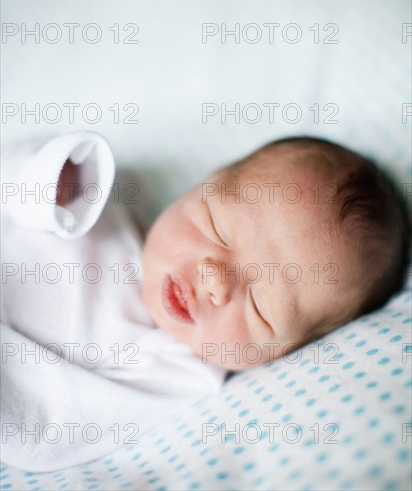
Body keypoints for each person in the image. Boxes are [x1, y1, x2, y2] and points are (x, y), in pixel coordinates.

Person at [1, 131, 409, 470]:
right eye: (215, 225)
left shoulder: (178, 371)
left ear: (282, 354)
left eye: (261, 307)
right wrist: (52, 176)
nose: (215, 279)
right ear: (198, 187)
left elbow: (54, 424)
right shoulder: (109, 200)